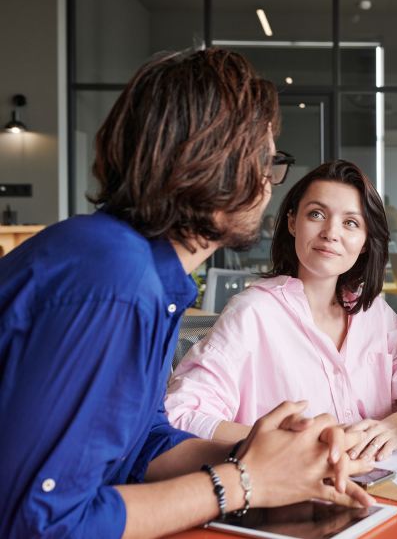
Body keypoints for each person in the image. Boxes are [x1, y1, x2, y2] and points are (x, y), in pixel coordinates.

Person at [0, 49, 372, 538]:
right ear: (212, 162)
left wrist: (260, 455)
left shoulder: (142, 271)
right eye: (264, 159)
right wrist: (244, 481)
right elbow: (39, 524)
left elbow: (140, 444)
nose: (268, 183)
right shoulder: (114, 282)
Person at [166, 160, 397, 461]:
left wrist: (395, 427)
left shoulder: (374, 313)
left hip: (382, 485)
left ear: (364, 242)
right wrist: (290, 441)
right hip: (286, 493)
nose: (330, 233)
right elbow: (181, 413)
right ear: (291, 222)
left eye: (351, 223)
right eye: (316, 214)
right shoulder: (253, 312)